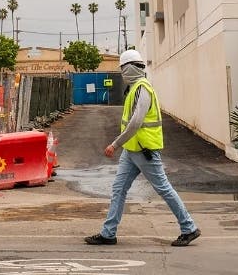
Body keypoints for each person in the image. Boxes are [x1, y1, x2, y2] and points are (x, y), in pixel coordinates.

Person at [84, 49, 200, 247]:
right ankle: (108, 233)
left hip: (144, 150)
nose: (122, 72)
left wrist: (115, 144)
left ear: (129, 68)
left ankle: (188, 227)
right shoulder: (134, 88)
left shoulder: (142, 88)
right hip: (132, 150)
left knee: (163, 188)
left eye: (123, 68)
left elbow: (136, 122)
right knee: (118, 189)